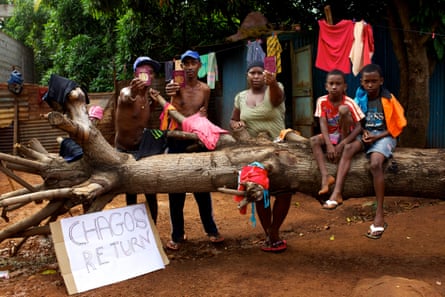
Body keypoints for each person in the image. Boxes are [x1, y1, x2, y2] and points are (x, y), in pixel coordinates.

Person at [326, 64, 407, 239]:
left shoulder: (388, 99)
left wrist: (377, 138)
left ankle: (379, 214)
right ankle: (337, 192)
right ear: (361, 82)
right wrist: (363, 132)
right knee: (348, 148)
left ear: (381, 81)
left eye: (373, 81)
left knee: (376, 164)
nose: (370, 85)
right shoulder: (360, 97)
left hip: (384, 136)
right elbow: (358, 121)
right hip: (366, 135)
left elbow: (398, 125)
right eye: (366, 81)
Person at [164, 50, 224, 250]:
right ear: (182, 67)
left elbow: (204, 115)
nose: (189, 67)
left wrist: (203, 115)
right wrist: (170, 94)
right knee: (176, 189)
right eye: (185, 63)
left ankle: (211, 230)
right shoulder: (175, 87)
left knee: (202, 186)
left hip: (196, 140)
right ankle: (177, 234)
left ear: (199, 66)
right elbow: (170, 113)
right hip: (176, 139)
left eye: (193, 63)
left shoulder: (205, 90)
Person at [229, 59, 291, 252]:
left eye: (259, 73)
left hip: (278, 148)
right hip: (253, 152)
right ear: (247, 76)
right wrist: (235, 124)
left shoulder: (276, 87)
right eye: (252, 73)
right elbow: (233, 119)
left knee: (285, 192)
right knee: (259, 191)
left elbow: (277, 99)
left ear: (266, 74)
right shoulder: (240, 97)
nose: (256, 76)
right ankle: (269, 234)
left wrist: (272, 83)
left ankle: (274, 230)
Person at [115, 56, 162, 224]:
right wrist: (134, 91)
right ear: (136, 74)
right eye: (143, 72)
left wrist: (155, 104)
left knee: (150, 189)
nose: (147, 75)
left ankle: (153, 227)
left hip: (142, 149)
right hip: (124, 150)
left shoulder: (148, 97)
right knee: (131, 191)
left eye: (150, 72)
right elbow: (127, 97)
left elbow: (141, 118)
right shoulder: (127, 92)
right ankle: (132, 228)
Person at [310, 69, 365, 209]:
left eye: (338, 84)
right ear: (326, 86)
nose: (334, 87)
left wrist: (341, 144)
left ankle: (337, 192)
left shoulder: (350, 102)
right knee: (314, 141)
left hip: (349, 135)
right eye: (331, 84)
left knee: (343, 110)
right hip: (332, 135)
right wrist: (329, 145)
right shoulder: (321, 101)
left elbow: (359, 127)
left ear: (345, 87)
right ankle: (325, 177)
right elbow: (322, 122)